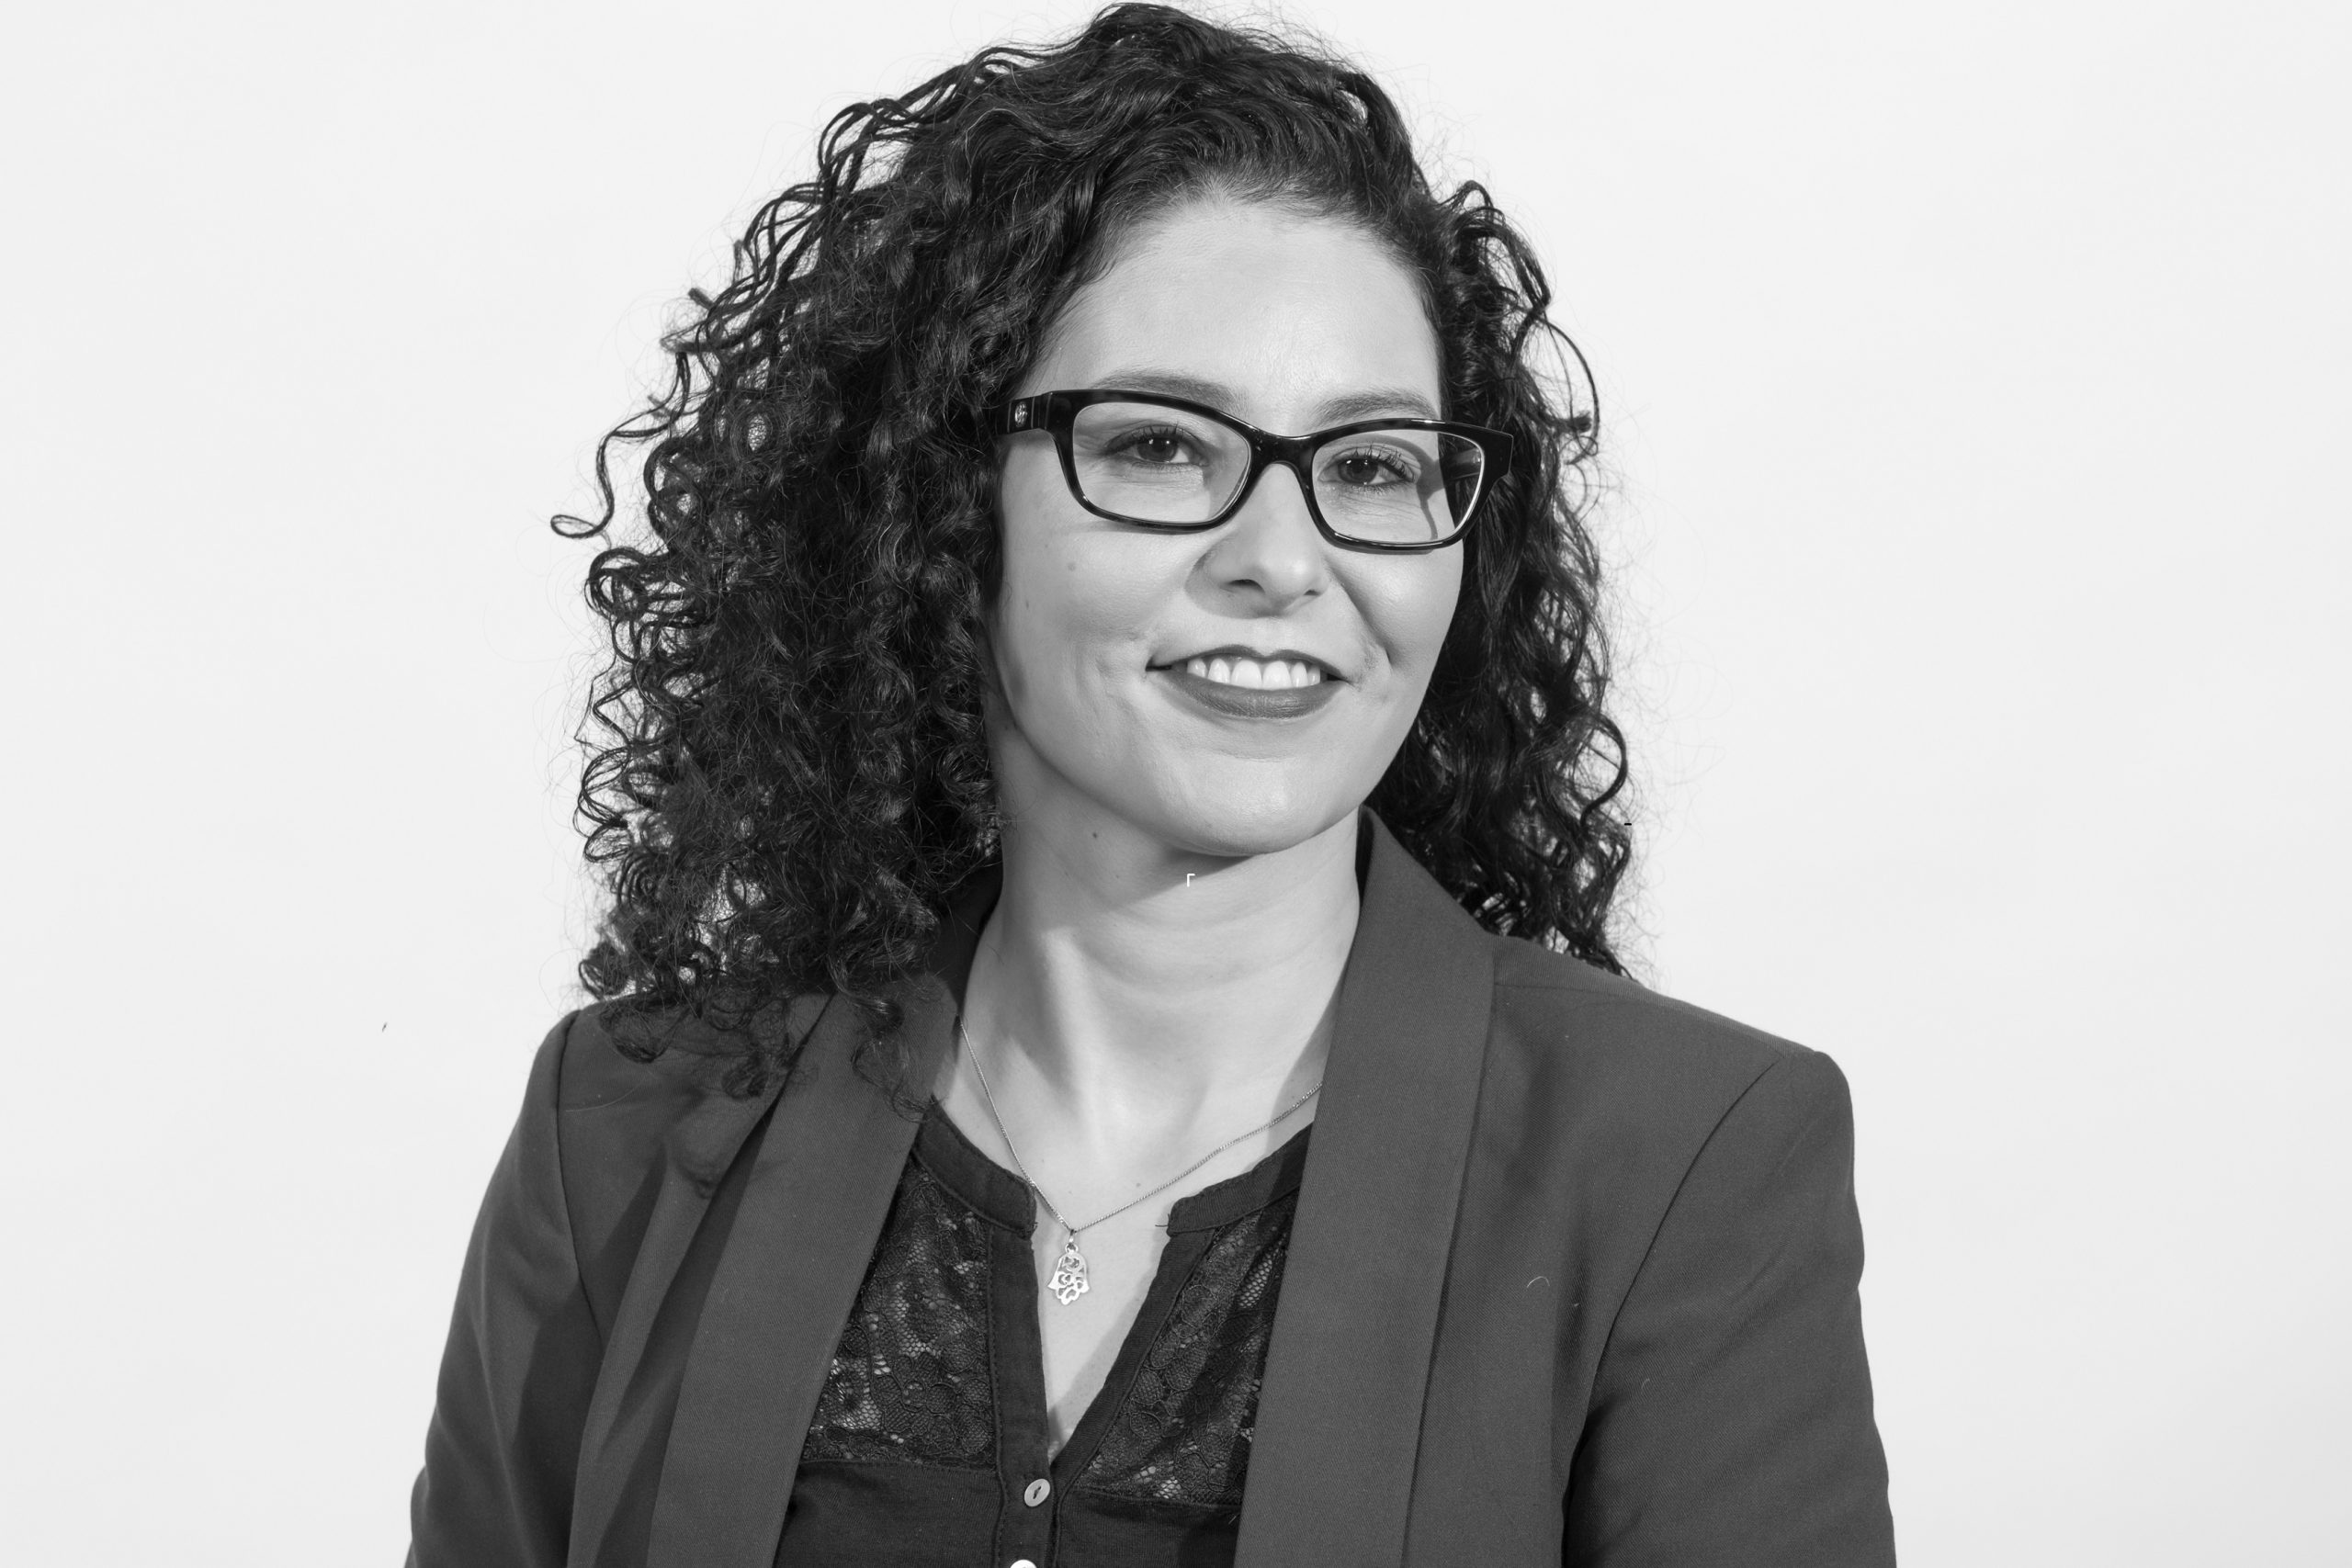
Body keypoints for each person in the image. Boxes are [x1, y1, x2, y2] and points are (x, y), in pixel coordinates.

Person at [406, 6, 1896, 1564]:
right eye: (1161, 449)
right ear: (938, 504)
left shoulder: (1685, 1165)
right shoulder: (624, 1132)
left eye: (1373, 465)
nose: (1282, 560)